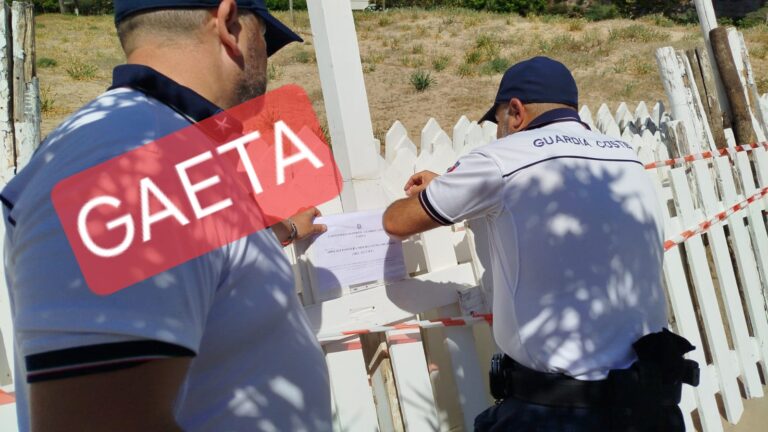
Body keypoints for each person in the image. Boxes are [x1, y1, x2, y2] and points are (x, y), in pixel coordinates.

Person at [1, 1, 332, 431]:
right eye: (264, 39)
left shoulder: (156, 149)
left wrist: (281, 231)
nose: (265, 61)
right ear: (230, 24)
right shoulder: (132, 162)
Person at [383, 56, 698, 431]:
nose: (499, 132)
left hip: (558, 411)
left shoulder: (501, 159)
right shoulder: (625, 156)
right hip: (646, 402)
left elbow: (398, 221)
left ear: (514, 111)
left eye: (498, 120)